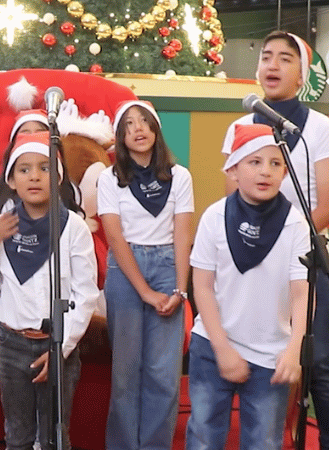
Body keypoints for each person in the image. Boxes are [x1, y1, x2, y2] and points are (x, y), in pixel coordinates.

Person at [220, 31, 329, 450]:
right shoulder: (239, 126)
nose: (272, 65)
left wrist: (285, 243)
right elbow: (231, 200)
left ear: (301, 75)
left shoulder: (322, 128)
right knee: (257, 349)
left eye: (284, 59)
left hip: (305, 257)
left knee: (319, 358)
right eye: (266, 57)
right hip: (250, 256)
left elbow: (328, 207)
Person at [0, 132, 98, 450]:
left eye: (44, 168)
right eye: (24, 169)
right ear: (11, 180)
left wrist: (63, 347)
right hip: (12, 344)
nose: (34, 176)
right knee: (18, 435)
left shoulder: (74, 228)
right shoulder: (2, 224)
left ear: (57, 177)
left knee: (55, 436)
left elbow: (85, 295)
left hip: (58, 346)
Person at [187, 123, 308, 450]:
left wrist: (294, 349)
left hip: (271, 356)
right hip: (213, 347)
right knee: (203, 438)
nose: (265, 171)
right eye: (254, 162)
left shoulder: (296, 224)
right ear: (234, 170)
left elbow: (301, 292)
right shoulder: (214, 217)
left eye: (275, 163)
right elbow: (202, 287)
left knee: (264, 443)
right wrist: (223, 349)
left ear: (285, 172)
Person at [98, 100, 193, 450]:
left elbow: (183, 234)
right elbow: (115, 238)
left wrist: (180, 291)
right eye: (129, 125)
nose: (138, 129)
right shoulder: (109, 179)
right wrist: (145, 292)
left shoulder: (180, 176)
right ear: (121, 136)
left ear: (155, 130)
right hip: (126, 272)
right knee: (126, 374)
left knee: (164, 376)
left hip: (168, 266)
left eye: (145, 123)